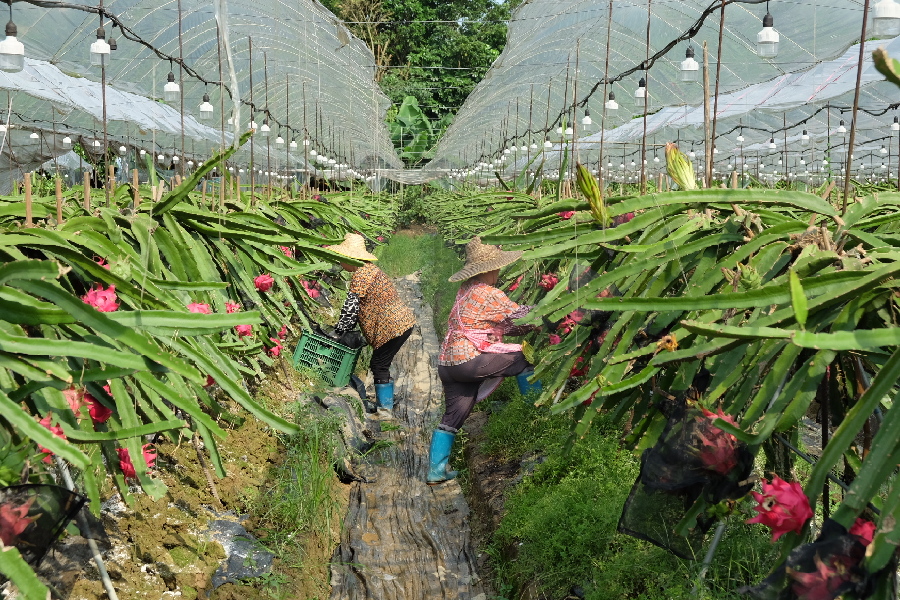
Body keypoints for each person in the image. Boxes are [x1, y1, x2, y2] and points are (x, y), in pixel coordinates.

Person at [427, 237, 535, 485]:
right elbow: (521, 319)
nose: (499, 271)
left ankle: (435, 472)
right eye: (497, 266)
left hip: (448, 363)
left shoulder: (465, 289)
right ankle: (535, 414)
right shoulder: (489, 293)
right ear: (490, 268)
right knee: (522, 358)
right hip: (468, 361)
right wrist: (550, 310)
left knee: (454, 416)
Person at [325, 233, 416, 413]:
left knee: (378, 364)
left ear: (349, 258)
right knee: (381, 363)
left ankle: (385, 411)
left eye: (341, 259)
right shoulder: (368, 269)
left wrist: (339, 331)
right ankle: (386, 405)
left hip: (392, 327)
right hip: (400, 323)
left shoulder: (361, 275)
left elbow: (351, 307)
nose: (340, 264)